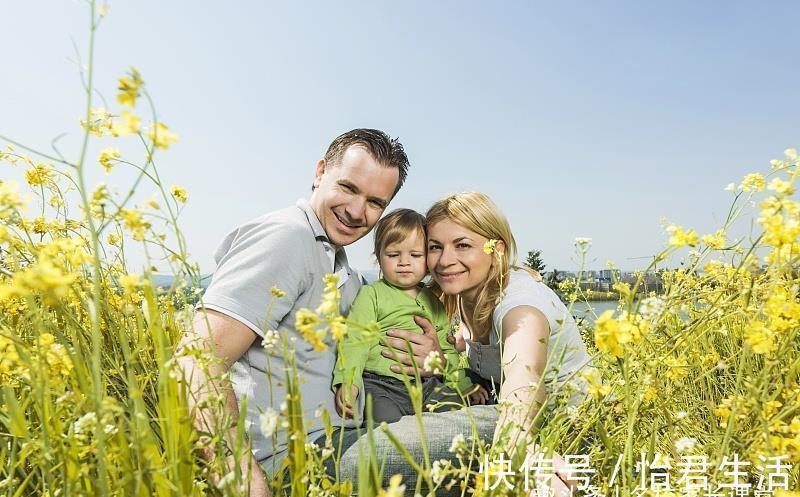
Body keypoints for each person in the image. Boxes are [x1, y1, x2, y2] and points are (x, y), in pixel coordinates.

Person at [425, 191, 593, 494]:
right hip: (515, 419)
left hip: (565, 427)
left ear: (497, 249)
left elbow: (524, 376)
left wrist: (516, 444)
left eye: (462, 245)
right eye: (435, 247)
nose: (445, 260)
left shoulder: (521, 303)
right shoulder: (465, 294)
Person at [332, 208, 489, 424]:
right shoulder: (372, 294)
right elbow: (355, 340)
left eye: (415, 255)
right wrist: (348, 382)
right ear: (379, 258)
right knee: (386, 430)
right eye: (393, 254)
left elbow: (447, 353)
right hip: (382, 385)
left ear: (428, 259)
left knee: (459, 419)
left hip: (429, 385)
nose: (404, 262)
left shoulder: (434, 302)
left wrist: (462, 385)